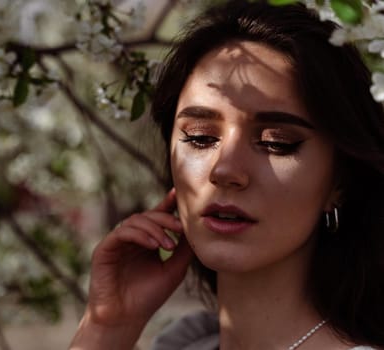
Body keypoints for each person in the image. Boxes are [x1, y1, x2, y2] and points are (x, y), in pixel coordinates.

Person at [69, 0, 384, 349]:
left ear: (338, 183)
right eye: (200, 137)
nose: (225, 169)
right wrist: (109, 325)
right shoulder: (182, 344)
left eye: (276, 142)